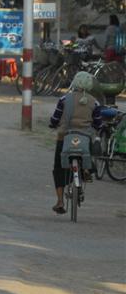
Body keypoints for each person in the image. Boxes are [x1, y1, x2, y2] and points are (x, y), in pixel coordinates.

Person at [49, 72, 102, 216]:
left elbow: (55, 119)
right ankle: (86, 170)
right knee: (87, 151)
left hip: (64, 137)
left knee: (58, 168)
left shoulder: (64, 99)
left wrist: (52, 124)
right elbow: (98, 124)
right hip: (85, 138)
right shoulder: (94, 102)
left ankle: (60, 201)